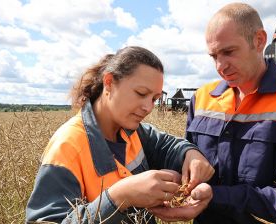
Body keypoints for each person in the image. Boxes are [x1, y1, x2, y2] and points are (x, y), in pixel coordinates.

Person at [153, 3, 276, 223]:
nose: (220, 66)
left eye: (228, 52)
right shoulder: (202, 98)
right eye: (214, 56)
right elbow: (188, 167)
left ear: (259, 41)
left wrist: (214, 196)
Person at [26, 46, 214, 223]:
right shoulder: (67, 147)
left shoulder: (133, 131)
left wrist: (191, 155)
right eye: (141, 93)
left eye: (155, 99)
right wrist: (120, 197)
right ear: (109, 83)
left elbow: (168, 145)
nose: (148, 107)